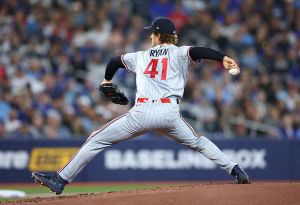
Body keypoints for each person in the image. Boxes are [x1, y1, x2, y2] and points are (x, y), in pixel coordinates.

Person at [32, 17, 250, 195]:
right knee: (199, 142)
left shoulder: (140, 56)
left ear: (157, 35)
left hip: (142, 113)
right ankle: (235, 169)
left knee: (97, 139)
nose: (150, 35)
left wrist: (106, 81)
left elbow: (114, 61)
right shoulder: (180, 52)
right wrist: (222, 58)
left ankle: (60, 180)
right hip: (169, 113)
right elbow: (199, 51)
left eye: (152, 33)